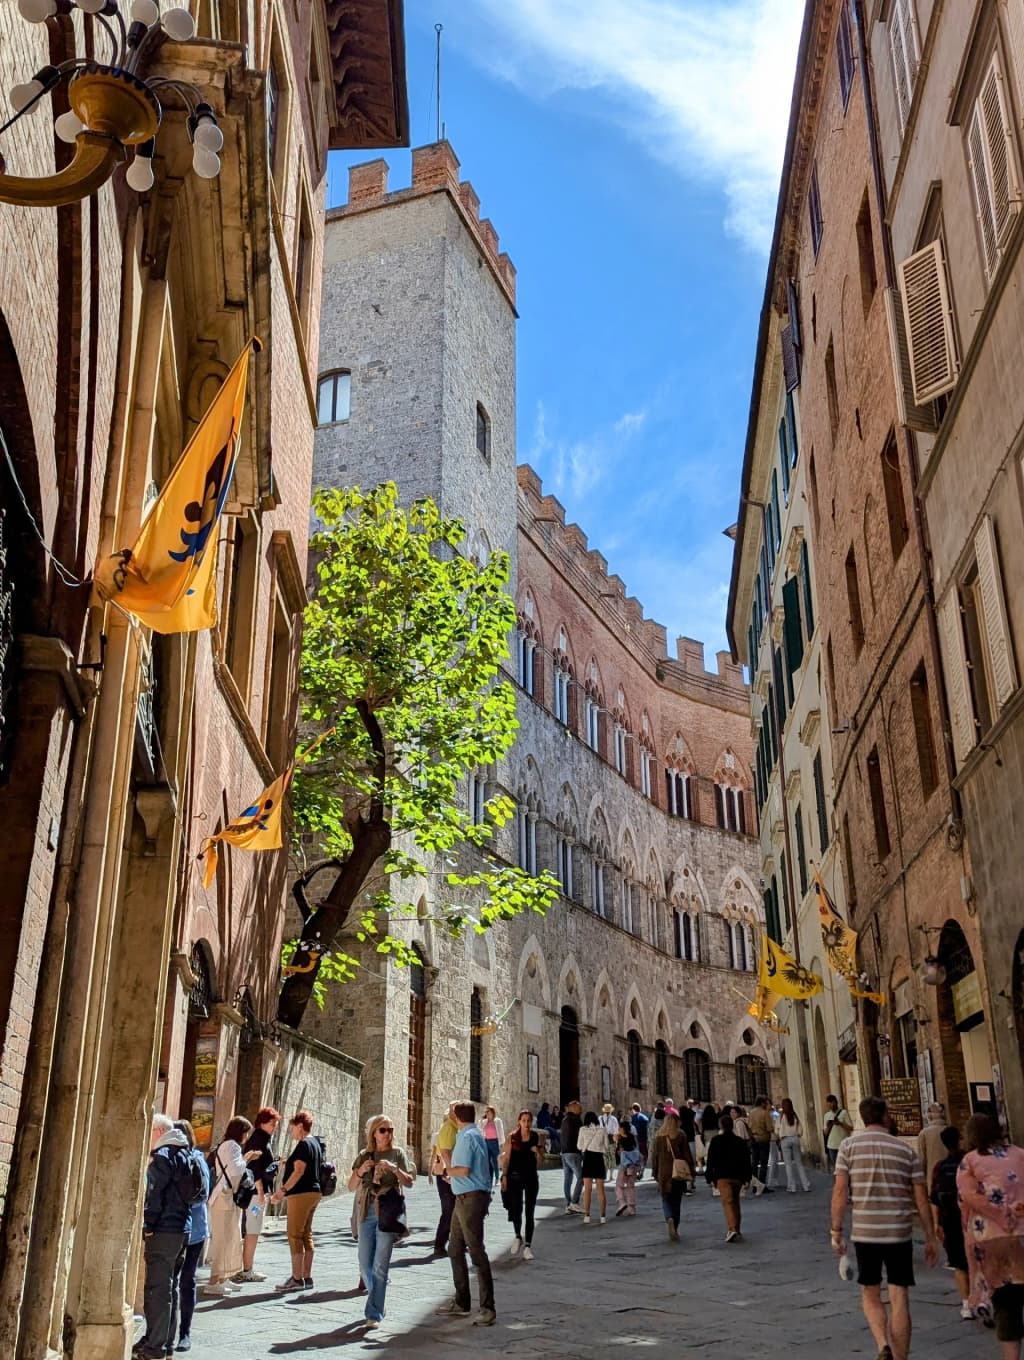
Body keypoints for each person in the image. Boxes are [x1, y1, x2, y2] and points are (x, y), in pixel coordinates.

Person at [830, 1095, 937, 1360]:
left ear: (863, 1117)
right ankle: (901, 1357)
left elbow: (840, 1191)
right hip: (899, 1231)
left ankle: (882, 1346)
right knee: (899, 1295)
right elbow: (921, 1199)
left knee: (870, 1291)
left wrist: (836, 1230)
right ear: (885, 1115)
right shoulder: (905, 1150)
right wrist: (931, 1236)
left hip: (866, 1231)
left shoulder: (848, 1147)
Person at [958, 1112, 1024, 1350]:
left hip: (990, 1240)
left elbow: (967, 1198)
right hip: (1022, 1235)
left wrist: (997, 1213)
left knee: (1007, 1309)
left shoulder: (970, 1161)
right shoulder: (1019, 1153)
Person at [348, 1113, 415, 1331]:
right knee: (364, 1262)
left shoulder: (398, 1153)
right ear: (374, 1133)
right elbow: (350, 1186)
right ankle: (379, 1295)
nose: (387, 1134)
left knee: (380, 1265)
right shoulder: (365, 1155)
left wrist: (394, 1169)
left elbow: (410, 1182)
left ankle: (374, 1312)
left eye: (390, 1130)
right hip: (367, 1211)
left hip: (387, 1211)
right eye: (383, 1130)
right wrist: (361, 1171)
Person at [137, 1114, 194, 1360]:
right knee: (170, 1288)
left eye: (151, 1132)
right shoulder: (187, 1154)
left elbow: (154, 1194)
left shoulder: (162, 1157)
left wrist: (148, 1224)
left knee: (157, 1290)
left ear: (159, 1132)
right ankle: (165, 1344)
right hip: (183, 1229)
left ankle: (155, 1348)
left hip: (163, 1230)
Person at [437, 1101, 496, 1326]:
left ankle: (487, 1307)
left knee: (476, 1251)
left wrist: (443, 1169)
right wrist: (451, 1176)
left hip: (469, 1199)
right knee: (454, 1248)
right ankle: (462, 1301)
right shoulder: (476, 1134)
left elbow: (463, 1169)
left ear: (456, 1116)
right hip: (465, 1196)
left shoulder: (465, 1137)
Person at [270, 1110, 323, 1292]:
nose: (290, 1131)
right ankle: (306, 1277)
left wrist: (282, 1191)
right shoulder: (315, 1143)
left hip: (301, 1194)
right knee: (306, 1234)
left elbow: (299, 1170)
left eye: (292, 1127)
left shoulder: (303, 1144)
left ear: (300, 1126)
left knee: (294, 1235)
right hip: (314, 1193)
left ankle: (296, 1279)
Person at [204, 1115, 254, 1296]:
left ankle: (224, 1278)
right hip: (223, 1197)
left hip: (227, 1198)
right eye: (246, 1133)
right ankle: (213, 1281)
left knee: (231, 1237)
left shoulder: (228, 1146)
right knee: (223, 1239)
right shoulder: (231, 1146)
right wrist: (247, 1158)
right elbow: (236, 1169)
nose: (247, 1137)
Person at [173, 1119, 209, 1355]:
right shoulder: (198, 1160)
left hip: (191, 1230)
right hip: (190, 1229)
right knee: (181, 1282)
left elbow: (201, 1194)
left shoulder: (194, 1161)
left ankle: (184, 1332)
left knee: (184, 1281)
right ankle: (176, 1333)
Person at [930, 1125, 971, 1321]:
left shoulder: (940, 1167)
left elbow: (934, 1198)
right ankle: (983, 1300)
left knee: (959, 1264)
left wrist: (937, 1224)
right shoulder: (970, 1162)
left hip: (950, 1219)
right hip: (973, 1218)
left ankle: (966, 1304)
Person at [236, 1106, 280, 1283]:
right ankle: (247, 1269)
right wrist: (261, 1191)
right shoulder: (259, 1140)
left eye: (275, 1123)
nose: (274, 1126)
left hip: (257, 1194)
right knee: (253, 1228)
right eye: (272, 1123)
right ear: (262, 1123)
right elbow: (253, 1168)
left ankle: (246, 1267)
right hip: (256, 1195)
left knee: (252, 1228)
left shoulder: (263, 1139)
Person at [500, 1109, 543, 1258]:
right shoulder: (512, 1137)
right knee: (516, 1208)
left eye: (528, 1120)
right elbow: (507, 1158)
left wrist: (537, 1151)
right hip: (515, 1177)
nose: (526, 1123)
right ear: (519, 1121)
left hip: (531, 1177)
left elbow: (542, 1160)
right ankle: (518, 1235)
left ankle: (528, 1246)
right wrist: (504, 1176)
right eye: (523, 1120)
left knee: (530, 1212)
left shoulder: (535, 1136)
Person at [705, 1113, 751, 1242]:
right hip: (737, 1176)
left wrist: (709, 1177)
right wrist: (747, 1177)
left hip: (722, 1176)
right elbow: (746, 1160)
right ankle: (737, 1228)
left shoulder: (716, 1141)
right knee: (735, 1202)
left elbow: (710, 1161)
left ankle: (732, 1229)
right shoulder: (739, 1141)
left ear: (721, 1126)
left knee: (727, 1202)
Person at [651, 1111, 695, 1241]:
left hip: (664, 1173)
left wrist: (655, 1173)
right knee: (677, 1201)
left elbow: (655, 1157)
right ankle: (675, 1226)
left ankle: (668, 1217)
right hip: (677, 1173)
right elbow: (687, 1155)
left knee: (666, 1199)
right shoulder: (680, 1135)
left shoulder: (659, 1137)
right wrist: (691, 1171)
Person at [429, 1101, 459, 1256]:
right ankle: (439, 1244)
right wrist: (451, 1172)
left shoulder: (456, 1128)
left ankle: (456, 1242)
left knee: (454, 1210)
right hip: (446, 1175)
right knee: (448, 1210)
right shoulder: (448, 1128)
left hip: (449, 1174)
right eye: (455, 1110)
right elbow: (446, 1153)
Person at [578, 1111, 609, 1224]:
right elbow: (606, 1147)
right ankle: (603, 1216)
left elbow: (579, 1145)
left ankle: (587, 1215)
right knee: (601, 1190)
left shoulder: (582, 1129)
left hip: (588, 1159)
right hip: (599, 1159)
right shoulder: (602, 1130)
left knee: (587, 1189)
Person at [777, 1098, 811, 1193]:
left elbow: (777, 1129)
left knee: (788, 1164)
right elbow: (800, 1129)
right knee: (799, 1163)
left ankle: (792, 1187)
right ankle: (806, 1185)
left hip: (785, 1139)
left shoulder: (781, 1116)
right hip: (795, 1138)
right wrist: (797, 1134)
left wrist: (780, 1135)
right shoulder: (794, 1115)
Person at [559, 1099, 584, 1214]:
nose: (581, 1109)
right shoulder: (576, 1120)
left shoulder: (564, 1120)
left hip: (564, 1152)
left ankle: (569, 1204)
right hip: (573, 1152)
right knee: (581, 1177)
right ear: (573, 1108)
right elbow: (581, 1137)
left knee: (567, 1179)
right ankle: (574, 1202)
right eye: (579, 1107)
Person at [917, 1102, 947, 1190]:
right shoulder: (952, 1130)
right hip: (952, 1178)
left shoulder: (924, 1134)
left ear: (930, 1115)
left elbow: (922, 1161)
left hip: (932, 1180)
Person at [615, 1119, 642, 1216]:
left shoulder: (620, 1139)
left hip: (624, 1165)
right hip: (633, 1165)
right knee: (631, 1186)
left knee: (619, 1185)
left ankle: (622, 1202)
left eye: (620, 1127)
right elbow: (636, 1149)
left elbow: (619, 1152)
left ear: (622, 1129)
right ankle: (632, 1208)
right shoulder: (632, 1137)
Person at [748, 1096, 774, 1190]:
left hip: (754, 1138)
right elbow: (769, 1128)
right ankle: (762, 1185)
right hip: (763, 1138)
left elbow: (749, 1126)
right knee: (763, 1163)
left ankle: (755, 1184)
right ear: (762, 1103)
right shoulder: (765, 1113)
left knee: (754, 1163)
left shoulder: (751, 1112)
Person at [824, 1093, 853, 1172]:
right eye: (829, 1105)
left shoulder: (844, 1113)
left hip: (843, 1145)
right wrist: (829, 1125)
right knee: (836, 1168)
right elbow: (825, 1133)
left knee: (846, 1167)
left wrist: (840, 1123)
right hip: (831, 1146)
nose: (830, 1107)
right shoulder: (827, 1115)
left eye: (832, 1104)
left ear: (835, 1102)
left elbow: (851, 1128)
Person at [480, 1106, 505, 1185]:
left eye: (488, 1111)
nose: (487, 1113)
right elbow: (480, 1130)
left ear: (492, 1112)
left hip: (495, 1142)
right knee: (487, 1161)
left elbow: (501, 1132)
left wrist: (501, 1144)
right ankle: (489, 1178)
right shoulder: (484, 1122)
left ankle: (497, 1178)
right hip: (486, 1142)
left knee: (495, 1161)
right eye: (486, 1112)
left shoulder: (497, 1121)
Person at [677, 1102, 698, 1193]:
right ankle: (691, 1182)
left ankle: (685, 1183)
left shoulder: (679, 1122)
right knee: (691, 1163)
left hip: (682, 1144)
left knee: (683, 1164)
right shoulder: (691, 1118)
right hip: (691, 1141)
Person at [599, 1103, 620, 1180]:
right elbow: (616, 1131)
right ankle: (611, 1176)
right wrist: (616, 1142)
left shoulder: (600, 1118)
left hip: (603, 1140)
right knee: (612, 1157)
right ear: (611, 1111)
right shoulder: (614, 1119)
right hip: (611, 1140)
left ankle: (605, 1175)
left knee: (605, 1158)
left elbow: (599, 1130)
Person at [630, 1102, 650, 1176]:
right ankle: (642, 1171)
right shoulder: (645, 1117)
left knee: (635, 1156)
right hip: (643, 1139)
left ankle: (637, 1171)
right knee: (644, 1155)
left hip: (635, 1140)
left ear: (633, 1109)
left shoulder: (632, 1118)